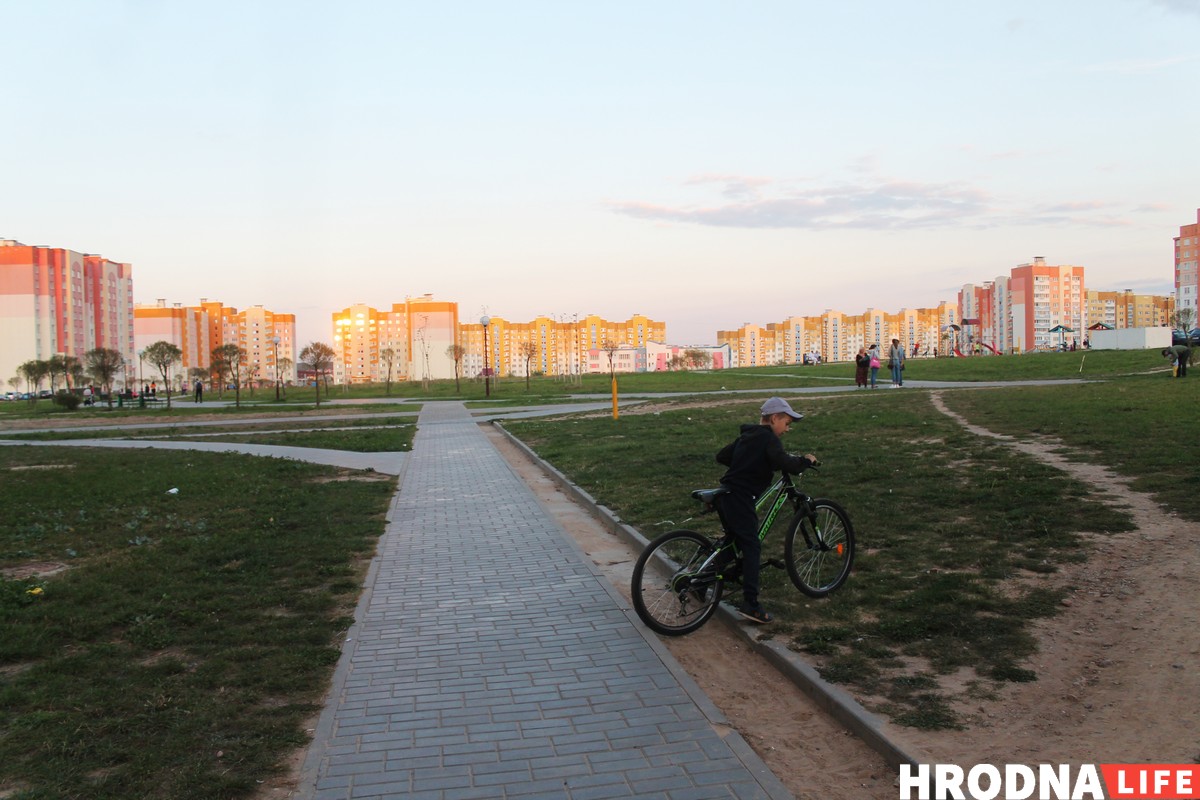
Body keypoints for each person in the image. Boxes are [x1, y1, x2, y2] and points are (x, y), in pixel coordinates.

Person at [713, 397, 818, 624]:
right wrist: (806, 461)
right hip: (741, 496)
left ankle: (703, 581)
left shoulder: (748, 435)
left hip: (726, 494)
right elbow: (787, 464)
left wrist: (750, 462)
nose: (787, 429)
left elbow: (722, 456)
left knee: (736, 541)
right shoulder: (769, 438)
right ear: (774, 419)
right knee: (752, 545)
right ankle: (751, 604)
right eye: (786, 423)